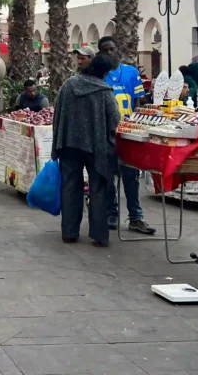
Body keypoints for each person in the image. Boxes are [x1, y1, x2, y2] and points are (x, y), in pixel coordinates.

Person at [52, 53, 119, 247]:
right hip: (96, 147)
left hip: (68, 143)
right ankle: (99, 235)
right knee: (98, 188)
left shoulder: (69, 85)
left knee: (70, 185)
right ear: (104, 72)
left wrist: (57, 142)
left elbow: (57, 113)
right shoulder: (105, 91)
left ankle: (69, 232)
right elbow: (115, 121)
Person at [98, 36, 156, 235]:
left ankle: (136, 217)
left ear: (117, 50)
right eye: (105, 50)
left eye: (112, 49)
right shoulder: (98, 75)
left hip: (128, 134)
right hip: (106, 135)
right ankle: (111, 213)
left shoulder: (131, 73)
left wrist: (137, 126)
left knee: (131, 177)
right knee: (108, 177)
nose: (109, 53)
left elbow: (138, 102)